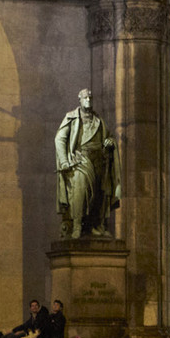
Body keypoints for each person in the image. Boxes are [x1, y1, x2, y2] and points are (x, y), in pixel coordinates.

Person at [55, 88, 121, 239]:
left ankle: (95, 226)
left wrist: (110, 141)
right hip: (80, 160)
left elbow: (109, 136)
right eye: (85, 98)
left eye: (90, 98)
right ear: (80, 99)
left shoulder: (99, 121)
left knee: (99, 193)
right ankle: (77, 226)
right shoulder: (71, 117)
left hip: (99, 161)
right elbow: (60, 138)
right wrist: (64, 161)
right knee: (80, 188)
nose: (88, 101)